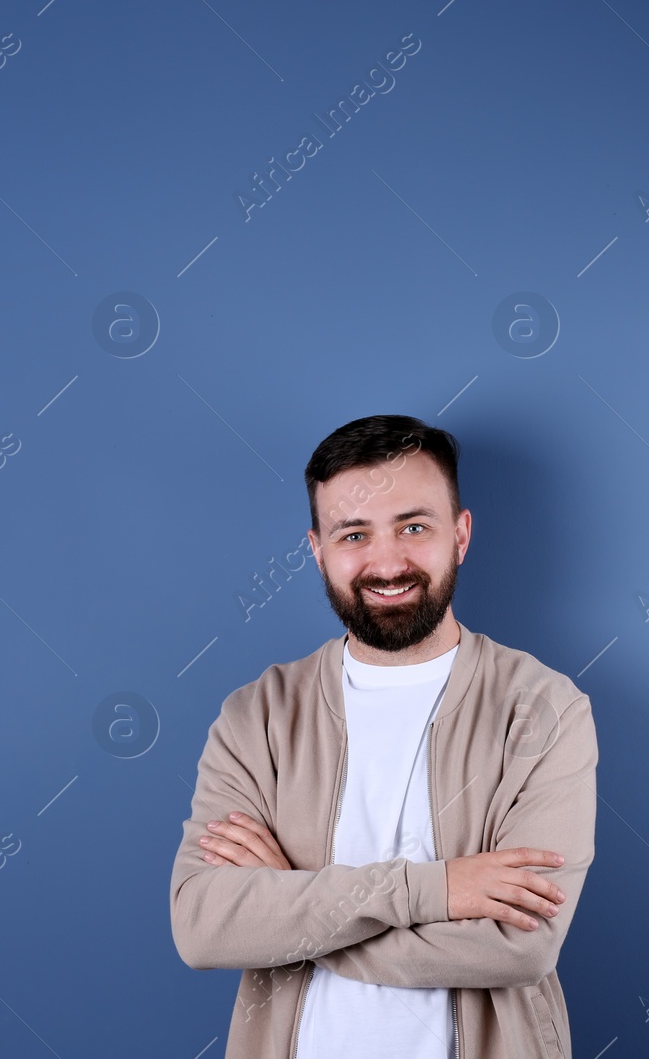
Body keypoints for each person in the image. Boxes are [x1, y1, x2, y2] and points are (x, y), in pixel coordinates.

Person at [169, 414, 598, 1059]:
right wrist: (438, 889)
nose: (387, 560)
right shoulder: (256, 716)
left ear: (461, 534)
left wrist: (294, 909)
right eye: (354, 534)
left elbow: (520, 946)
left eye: (414, 526)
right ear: (317, 549)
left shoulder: (542, 710)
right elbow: (205, 927)